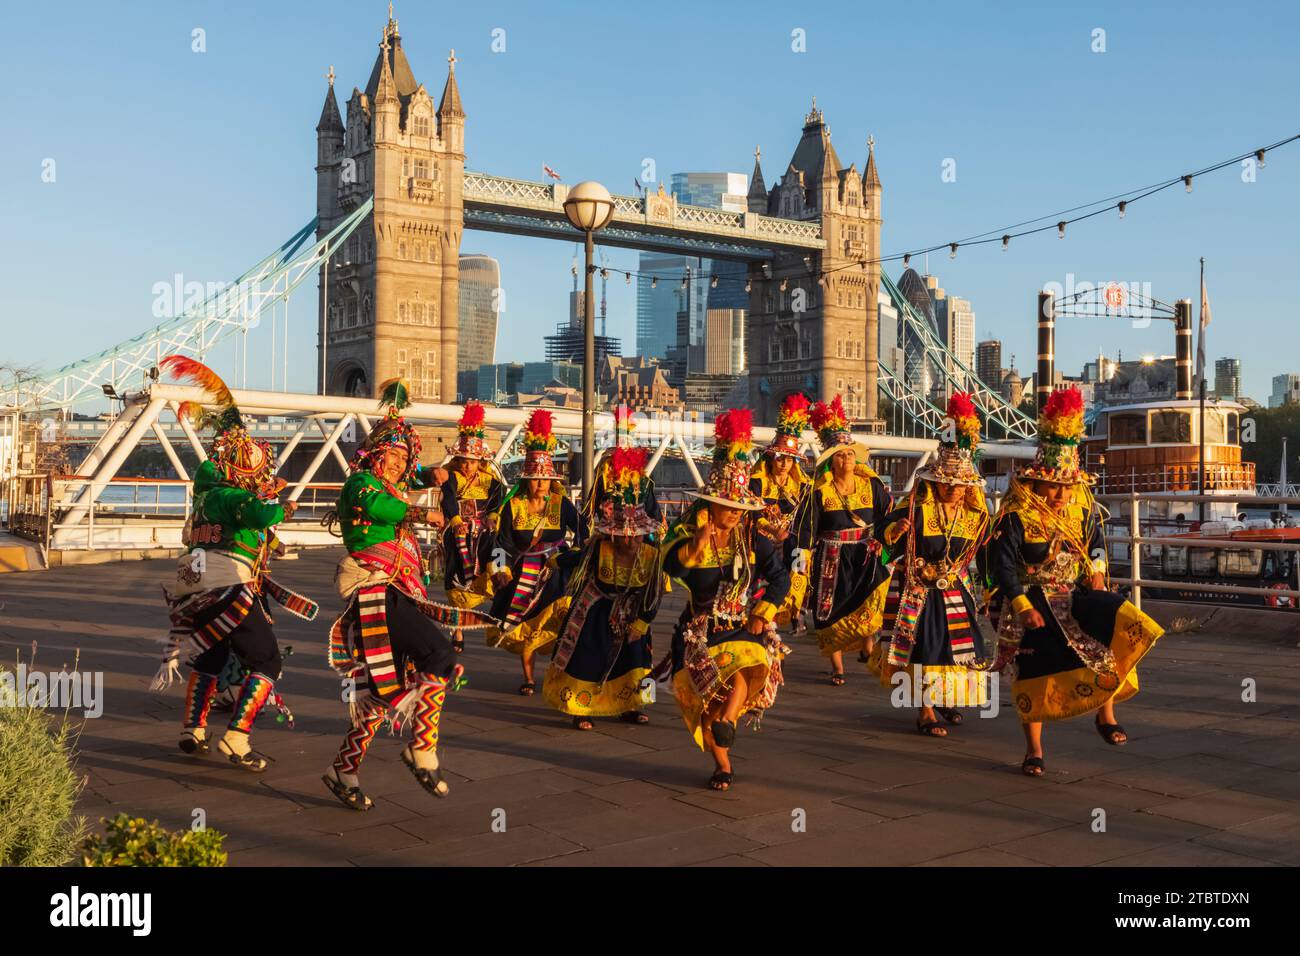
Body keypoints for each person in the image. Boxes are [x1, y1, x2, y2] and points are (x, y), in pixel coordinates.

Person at [984, 386, 1164, 777]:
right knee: (1034, 672)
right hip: (1031, 601)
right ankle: (1034, 750)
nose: (1061, 495)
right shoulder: (1016, 516)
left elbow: (1097, 547)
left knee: (1112, 634)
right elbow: (1002, 567)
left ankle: (1106, 714)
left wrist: (1098, 575)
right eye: (1053, 487)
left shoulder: (1082, 512)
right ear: (1035, 484)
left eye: (1067, 487)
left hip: (1074, 594)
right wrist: (1021, 605)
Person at [152, 356, 319, 773]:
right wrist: (281, 506)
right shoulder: (230, 496)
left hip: (194, 587)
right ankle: (238, 736)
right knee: (267, 661)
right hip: (228, 585)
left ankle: (193, 729)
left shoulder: (205, 497)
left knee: (209, 657)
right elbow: (260, 514)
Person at [322, 378, 466, 811]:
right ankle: (423, 748)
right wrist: (425, 508)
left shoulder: (392, 483)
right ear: (375, 455)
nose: (398, 464)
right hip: (377, 591)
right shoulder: (361, 485)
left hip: (392, 591)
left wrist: (436, 475)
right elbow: (381, 505)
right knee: (440, 657)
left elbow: (407, 483)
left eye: (405, 457)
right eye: (393, 455)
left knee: (383, 694)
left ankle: (343, 770)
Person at [661, 409, 791, 791]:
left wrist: (762, 611)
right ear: (710, 503)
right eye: (727, 507)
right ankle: (723, 763)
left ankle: (730, 722)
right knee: (705, 705)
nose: (734, 514)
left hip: (738, 627)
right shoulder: (688, 530)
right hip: (697, 632)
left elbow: (780, 576)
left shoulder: (752, 536)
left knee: (741, 674)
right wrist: (694, 548)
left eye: (739, 508)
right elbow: (672, 568)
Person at [874, 393, 991, 736]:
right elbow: (882, 532)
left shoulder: (976, 517)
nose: (953, 488)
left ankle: (945, 697)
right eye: (946, 483)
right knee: (924, 645)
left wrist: (990, 590)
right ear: (935, 481)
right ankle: (924, 709)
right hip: (919, 591)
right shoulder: (916, 509)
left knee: (961, 646)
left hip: (956, 589)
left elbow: (984, 554)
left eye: (959, 484)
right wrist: (895, 531)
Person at [544, 445, 665, 729]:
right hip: (597, 610)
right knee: (588, 655)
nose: (629, 541)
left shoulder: (650, 557)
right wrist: (557, 560)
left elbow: (653, 594)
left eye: (635, 537)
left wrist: (642, 623)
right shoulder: (600, 548)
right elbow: (578, 558)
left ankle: (633, 706)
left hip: (632, 613)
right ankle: (581, 708)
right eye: (623, 536)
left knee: (636, 658)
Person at [487, 409, 583, 695]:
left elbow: (582, 531)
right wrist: (500, 569)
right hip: (522, 572)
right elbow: (500, 543)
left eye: (544, 479)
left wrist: (569, 556)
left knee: (562, 624)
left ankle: (558, 673)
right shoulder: (513, 507)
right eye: (534, 478)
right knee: (524, 623)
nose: (540, 483)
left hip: (556, 572)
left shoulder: (561, 503)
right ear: (525, 480)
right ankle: (528, 678)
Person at [807, 395, 894, 685]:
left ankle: (868, 646)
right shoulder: (821, 492)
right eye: (840, 455)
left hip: (866, 553)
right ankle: (837, 666)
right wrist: (800, 558)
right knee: (831, 609)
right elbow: (809, 527)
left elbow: (887, 515)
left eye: (849, 454)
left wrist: (884, 539)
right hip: (832, 556)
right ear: (831, 460)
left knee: (869, 599)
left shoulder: (872, 485)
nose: (846, 459)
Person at [440, 400, 505, 653]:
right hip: (459, 530)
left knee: (495, 546)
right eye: (464, 460)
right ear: (458, 460)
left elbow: (500, 496)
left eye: (473, 461)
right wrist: (455, 520)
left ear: (480, 462)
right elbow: (447, 496)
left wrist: (494, 515)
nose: (468, 465)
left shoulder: (490, 480)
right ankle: (457, 629)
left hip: (482, 529)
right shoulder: (452, 477)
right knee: (456, 568)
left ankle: (496, 582)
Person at [749, 393, 814, 635]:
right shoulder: (758, 480)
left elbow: (807, 519)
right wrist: (773, 530)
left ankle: (795, 612)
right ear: (771, 457)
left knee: (800, 570)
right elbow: (754, 514)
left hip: (791, 541)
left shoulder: (801, 486)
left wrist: (804, 548)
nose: (784, 464)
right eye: (780, 458)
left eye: (789, 459)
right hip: (763, 538)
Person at [583, 404, 664, 539]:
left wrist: (658, 530)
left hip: (639, 533)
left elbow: (652, 508)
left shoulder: (641, 477)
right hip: (610, 534)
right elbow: (590, 509)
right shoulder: (604, 475)